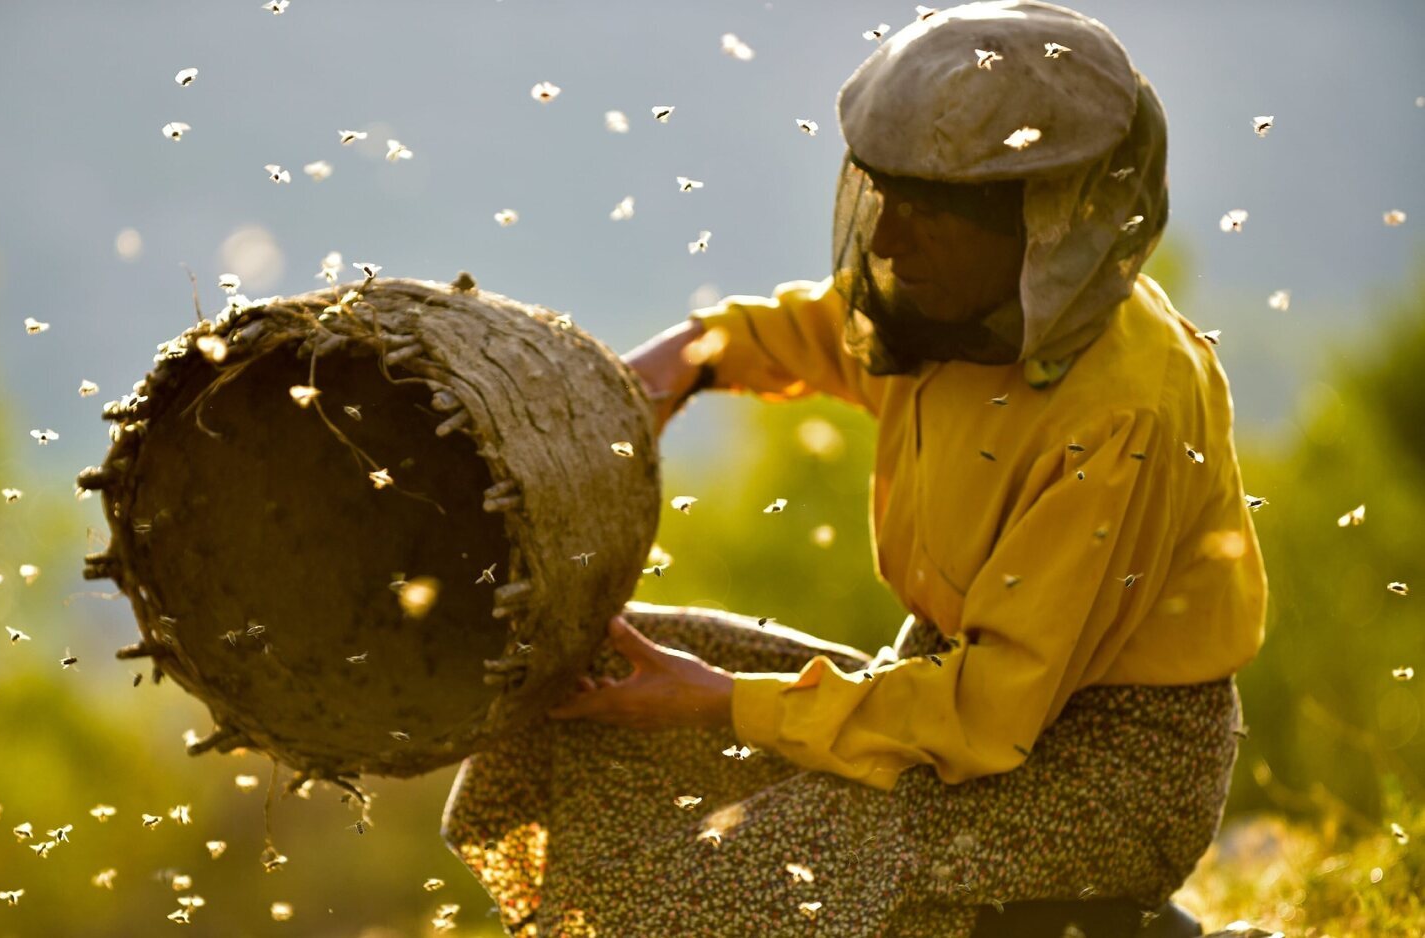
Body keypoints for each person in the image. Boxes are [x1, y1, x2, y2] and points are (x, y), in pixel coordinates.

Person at [441, 3, 1267, 935]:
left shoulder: (1123, 415)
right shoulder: (960, 306)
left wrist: (719, 703)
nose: (885, 244)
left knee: (735, 876)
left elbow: (987, 717)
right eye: (885, 199)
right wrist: (683, 361)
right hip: (945, 702)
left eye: (927, 216)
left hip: (1098, 776)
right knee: (581, 682)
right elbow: (818, 332)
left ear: (1042, 223)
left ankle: (1084, 918)